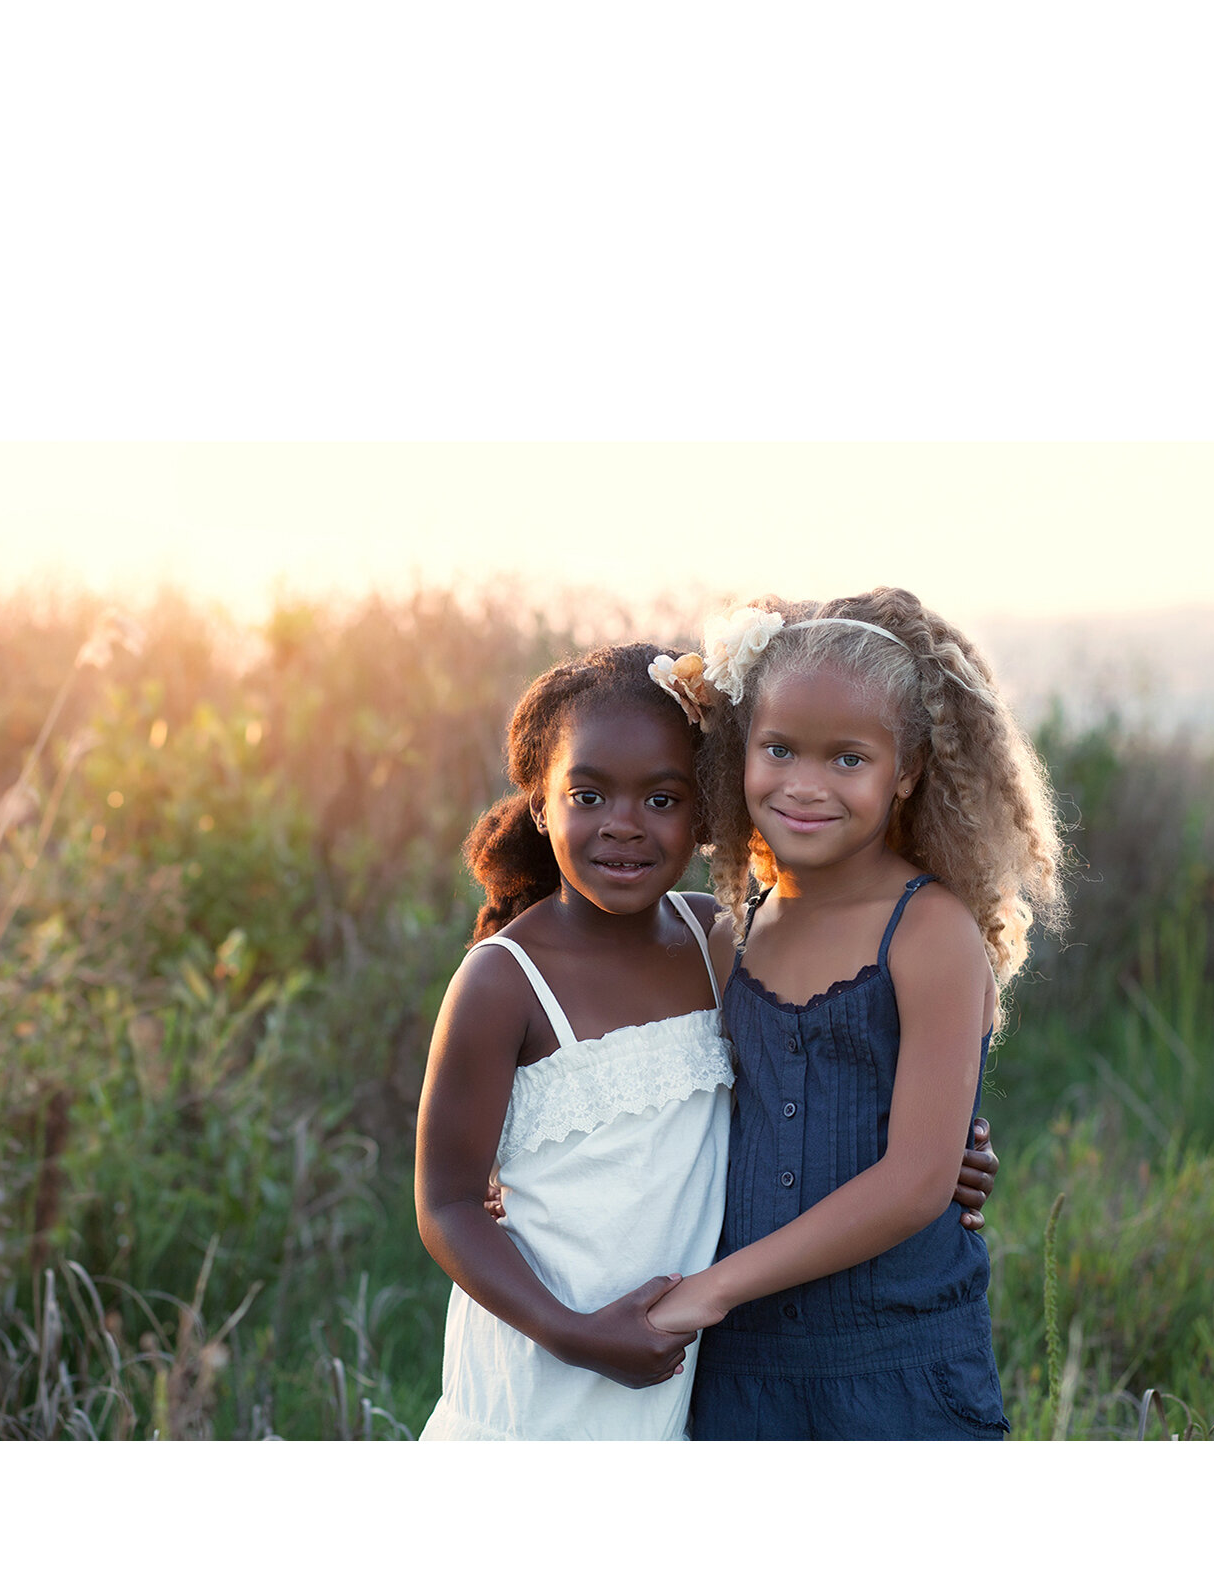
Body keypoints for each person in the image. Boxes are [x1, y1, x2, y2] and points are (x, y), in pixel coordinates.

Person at [415, 639, 998, 1440]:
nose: (624, 825)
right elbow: (447, 1202)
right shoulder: (500, 980)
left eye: (662, 799)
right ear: (540, 802)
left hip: (683, 1368)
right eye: (587, 795)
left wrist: (936, 1155)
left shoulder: (711, 939)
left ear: (705, 808)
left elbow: (801, 1076)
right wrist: (571, 1332)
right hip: (546, 1372)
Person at [645, 590, 1064, 1441]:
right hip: (739, 1374)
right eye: (778, 749)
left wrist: (710, 1288)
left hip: (897, 1370)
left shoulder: (930, 931)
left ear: (905, 769)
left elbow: (914, 1183)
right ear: (740, 752)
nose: (804, 785)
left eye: (848, 760)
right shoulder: (732, 935)